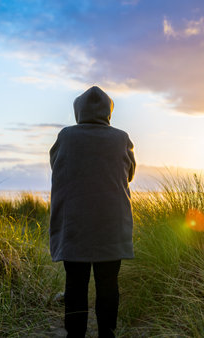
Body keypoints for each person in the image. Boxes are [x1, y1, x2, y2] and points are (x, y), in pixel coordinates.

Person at [49, 86, 136, 338]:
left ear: (78, 111)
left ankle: (75, 335)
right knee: (108, 283)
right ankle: (107, 334)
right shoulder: (122, 138)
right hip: (112, 223)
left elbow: (57, 167)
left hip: (74, 223)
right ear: (109, 112)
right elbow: (129, 174)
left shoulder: (65, 136)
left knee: (75, 285)